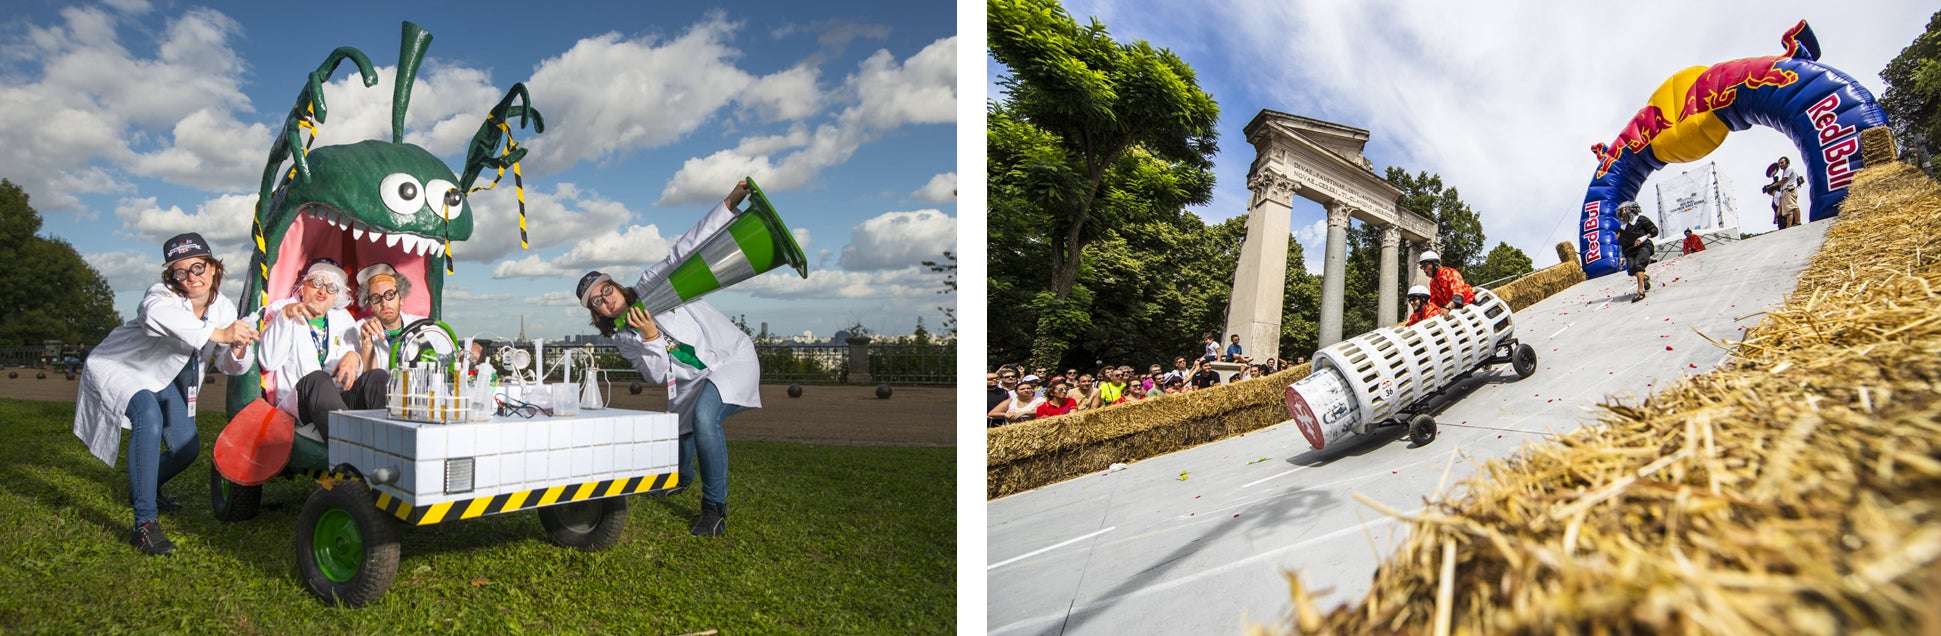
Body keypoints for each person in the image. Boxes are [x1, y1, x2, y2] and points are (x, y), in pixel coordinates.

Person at [581, 179, 761, 537]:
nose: (606, 299)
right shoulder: (624, 337)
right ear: (596, 313)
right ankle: (681, 478)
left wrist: (728, 203)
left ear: (616, 285)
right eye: (597, 301)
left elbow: (684, 251)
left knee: (706, 418)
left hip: (731, 359)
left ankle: (714, 510)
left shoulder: (651, 285)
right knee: (679, 432)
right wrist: (649, 337)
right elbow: (660, 375)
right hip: (692, 380)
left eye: (606, 290)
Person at [74, 233, 258, 555]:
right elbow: (156, 316)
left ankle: (144, 488)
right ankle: (144, 523)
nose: (191, 277)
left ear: (214, 268)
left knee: (187, 448)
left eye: (198, 267)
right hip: (122, 368)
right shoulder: (161, 295)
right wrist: (220, 333)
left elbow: (230, 365)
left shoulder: (224, 307)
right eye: (180, 271)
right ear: (171, 277)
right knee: (149, 417)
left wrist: (238, 347)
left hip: (170, 378)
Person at [257, 258, 387, 447]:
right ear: (303, 287)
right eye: (317, 283)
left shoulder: (342, 318)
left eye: (331, 287)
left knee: (377, 377)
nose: (323, 290)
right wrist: (286, 316)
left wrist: (355, 356)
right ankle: (351, 451)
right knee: (317, 379)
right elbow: (268, 361)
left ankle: (388, 445)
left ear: (337, 296)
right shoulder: (282, 310)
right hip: (301, 401)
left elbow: (355, 367)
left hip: (337, 400)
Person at [352, 263, 426, 372]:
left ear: (401, 298)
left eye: (390, 295)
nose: (384, 303)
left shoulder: (424, 326)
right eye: (376, 298)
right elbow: (368, 381)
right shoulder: (359, 329)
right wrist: (367, 343)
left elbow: (450, 358)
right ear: (370, 305)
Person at [1616, 201, 1659, 302]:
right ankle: (1644, 277)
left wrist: (1643, 238)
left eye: (1625, 211)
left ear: (1631, 210)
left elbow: (1654, 230)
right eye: (1621, 212)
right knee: (1631, 270)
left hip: (1644, 246)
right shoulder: (1622, 228)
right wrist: (1622, 257)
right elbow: (1622, 244)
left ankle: (1640, 292)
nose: (1623, 214)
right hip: (1630, 251)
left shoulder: (1641, 220)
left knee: (1638, 265)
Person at [1773, 156, 1803, 228]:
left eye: (1782, 162)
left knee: (1793, 205)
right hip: (1787, 190)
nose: (1780, 165)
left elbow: (1784, 180)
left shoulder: (1789, 169)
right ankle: (1792, 224)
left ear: (1787, 162)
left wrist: (1775, 184)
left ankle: (1798, 222)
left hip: (1789, 190)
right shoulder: (1787, 170)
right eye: (1779, 163)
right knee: (1789, 209)